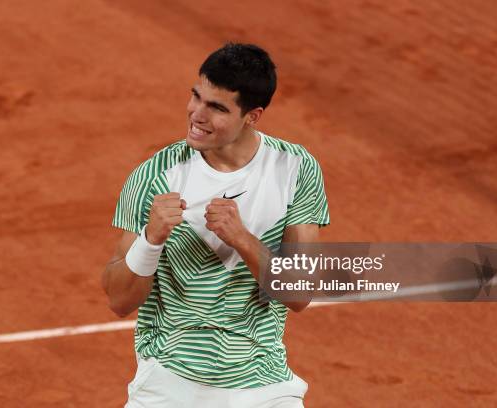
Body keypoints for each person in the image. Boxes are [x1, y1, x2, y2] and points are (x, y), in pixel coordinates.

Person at [102, 42, 330, 408]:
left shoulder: (295, 169)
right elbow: (118, 300)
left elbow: (300, 294)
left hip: (262, 383)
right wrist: (151, 238)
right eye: (196, 97)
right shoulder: (155, 175)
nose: (197, 114)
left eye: (217, 107)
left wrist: (241, 239)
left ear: (252, 116)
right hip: (167, 380)